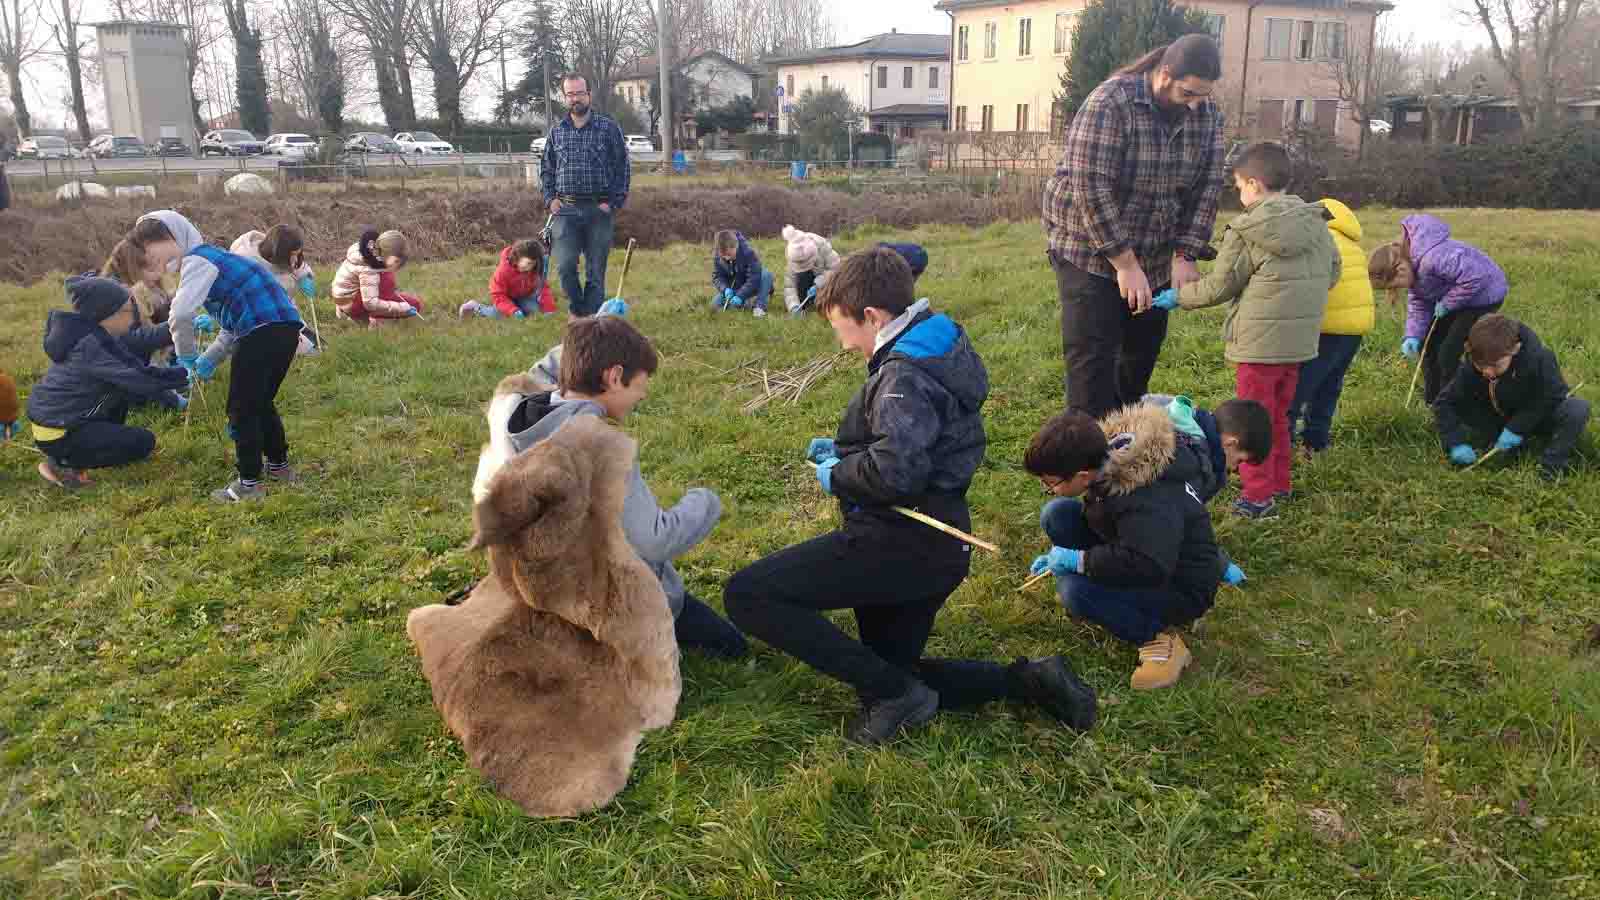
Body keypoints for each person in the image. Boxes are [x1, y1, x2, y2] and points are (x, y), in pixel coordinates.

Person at [724, 247, 1098, 746]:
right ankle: (1031, 681)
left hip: (901, 541)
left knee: (748, 594)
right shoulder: (936, 346)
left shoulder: (903, 375)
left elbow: (896, 472)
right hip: (939, 544)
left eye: (844, 330)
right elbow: (914, 439)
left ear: (873, 317)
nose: (843, 345)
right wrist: (843, 449)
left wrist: (838, 474)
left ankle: (898, 696)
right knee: (889, 667)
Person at [494, 316, 748, 658]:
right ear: (614, 377)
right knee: (732, 646)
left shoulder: (520, 415)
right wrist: (706, 501)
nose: (641, 395)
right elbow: (654, 540)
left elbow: (548, 368)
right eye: (639, 386)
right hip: (615, 605)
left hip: (554, 596)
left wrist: (594, 330)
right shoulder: (598, 447)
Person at [1154, 142, 1339, 519]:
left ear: (1253, 183)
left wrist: (1179, 297)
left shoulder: (1248, 228)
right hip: (1301, 341)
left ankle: (1257, 498)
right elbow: (1332, 273)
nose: (1239, 194)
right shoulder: (1316, 222)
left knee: (1252, 421)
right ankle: (1279, 484)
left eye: (1238, 185)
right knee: (1281, 416)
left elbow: (1220, 286)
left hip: (1258, 344)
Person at [1044, 34, 1226, 418]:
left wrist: (1186, 253)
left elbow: (1209, 185)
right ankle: (1086, 454)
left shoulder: (1205, 116)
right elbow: (1089, 185)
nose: (1195, 105)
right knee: (1093, 357)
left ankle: (1126, 439)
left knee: (1140, 355)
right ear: (1164, 76)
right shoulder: (1111, 102)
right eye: (1188, 93)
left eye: (1202, 97)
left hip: (1156, 251)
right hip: (1087, 248)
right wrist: (1124, 264)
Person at [1024, 405, 1222, 690]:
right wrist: (1077, 558)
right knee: (1057, 514)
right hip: (1140, 546)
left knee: (1074, 591)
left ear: (1081, 475)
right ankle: (1106, 592)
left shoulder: (1147, 497)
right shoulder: (1109, 461)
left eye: (1049, 483)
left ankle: (1158, 638)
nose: (1047, 488)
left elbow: (1149, 564)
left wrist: (1081, 561)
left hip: (1177, 585)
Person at [130, 210, 304, 503]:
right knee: (259, 403)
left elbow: (181, 314)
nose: (150, 255)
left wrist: (186, 355)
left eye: (154, 246)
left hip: (262, 332)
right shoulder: (217, 259)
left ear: (176, 237)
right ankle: (279, 467)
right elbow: (232, 326)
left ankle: (249, 484)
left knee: (241, 409)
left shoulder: (197, 261)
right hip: (284, 329)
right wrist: (209, 359)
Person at [24, 275, 189, 489]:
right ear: (109, 315)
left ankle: (78, 448)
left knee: (121, 396)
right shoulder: (93, 348)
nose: (134, 319)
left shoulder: (91, 335)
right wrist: (186, 372)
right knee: (143, 442)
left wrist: (178, 325)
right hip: (61, 430)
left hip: (58, 420)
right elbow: (141, 378)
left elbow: (141, 340)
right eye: (130, 311)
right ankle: (62, 463)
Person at [1368, 215, 1508, 406]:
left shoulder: (1434, 258)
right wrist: (1413, 335)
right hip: (1456, 299)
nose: (1400, 288)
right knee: (1429, 345)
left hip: (1484, 295)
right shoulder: (1413, 272)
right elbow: (1419, 302)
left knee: (1448, 351)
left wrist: (1448, 304)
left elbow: (1476, 278)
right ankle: (1433, 401)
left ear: (1400, 268)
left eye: (1396, 284)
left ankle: (1453, 402)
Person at [1436, 313, 1590, 481]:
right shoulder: (1474, 364)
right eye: (1480, 365)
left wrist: (1518, 426)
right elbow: (1444, 403)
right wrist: (1455, 442)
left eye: (1495, 365)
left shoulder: (1540, 359)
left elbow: (1552, 396)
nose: (1487, 372)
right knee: (1454, 401)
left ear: (1514, 349)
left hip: (1537, 419)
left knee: (1577, 409)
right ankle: (1504, 447)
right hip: (1498, 420)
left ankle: (1551, 467)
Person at [1289, 199, 1374, 457]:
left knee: (1298, 389)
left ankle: (1283, 441)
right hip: (1355, 329)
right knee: (1330, 384)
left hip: (1327, 327)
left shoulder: (1319, 241)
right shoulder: (1353, 244)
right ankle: (1316, 441)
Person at [541, 73, 631, 317]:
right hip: (565, 210)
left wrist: (612, 203)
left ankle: (591, 317)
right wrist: (551, 199)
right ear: (565, 98)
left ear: (589, 95)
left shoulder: (608, 129)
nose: (575, 99)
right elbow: (547, 169)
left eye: (579, 93)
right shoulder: (557, 132)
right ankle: (578, 311)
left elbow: (622, 167)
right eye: (570, 94)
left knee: (595, 269)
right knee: (566, 266)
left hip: (598, 209)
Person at [230, 225, 322, 354]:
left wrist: (304, 275)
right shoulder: (250, 270)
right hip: (264, 322)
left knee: (319, 347)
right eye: (293, 255)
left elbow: (297, 264)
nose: (296, 259)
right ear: (281, 254)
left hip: (285, 312)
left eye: (298, 253)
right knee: (311, 352)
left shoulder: (270, 247)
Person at [99, 239, 177, 366]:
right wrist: (174, 327)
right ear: (132, 266)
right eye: (151, 268)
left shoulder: (149, 289)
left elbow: (154, 319)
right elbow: (128, 341)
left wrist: (174, 306)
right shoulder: (114, 296)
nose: (158, 273)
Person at [331, 228, 423, 327]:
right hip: (350, 303)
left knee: (414, 304)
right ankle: (361, 319)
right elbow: (370, 303)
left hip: (346, 296)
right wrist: (404, 308)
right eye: (396, 261)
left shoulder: (371, 252)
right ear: (388, 253)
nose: (397, 266)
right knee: (388, 282)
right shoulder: (369, 269)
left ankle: (355, 313)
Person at [457, 239, 557, 319]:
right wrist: (512, 310)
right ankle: (475, 307)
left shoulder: (536, 269)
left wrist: (549, 309)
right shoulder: (503, 271)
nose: (529, 267)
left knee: (534, 310)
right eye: (528, 263)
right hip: (505, 298)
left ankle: (519, 308)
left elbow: (543, 288)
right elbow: (498, 294)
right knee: (499, 315)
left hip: (523, 297)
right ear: (518, 257)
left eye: (532, 264)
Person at [710, 229, 775, 318]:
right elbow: (717, 276)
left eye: (729, 254)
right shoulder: (719, 255)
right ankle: (748, 303)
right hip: (734, 289)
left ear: (735, 246)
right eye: (723, 256)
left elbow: (754, 278)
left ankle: (759, 306)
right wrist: (725, 289)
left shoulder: (748, 253)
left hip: (752, 286)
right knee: (715, 305)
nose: (727, 258)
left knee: (766, 275)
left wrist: (741, 296)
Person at [780, 225, 841, 315]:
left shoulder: (822, 247)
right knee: (800, 277)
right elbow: (790, 286)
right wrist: (793, 306)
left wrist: (819, 282)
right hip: (808, 282)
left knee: (834, 299)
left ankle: (825, 303)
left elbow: (837, 269)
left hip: (828, 283)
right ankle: (804, 306)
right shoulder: (793, 256)